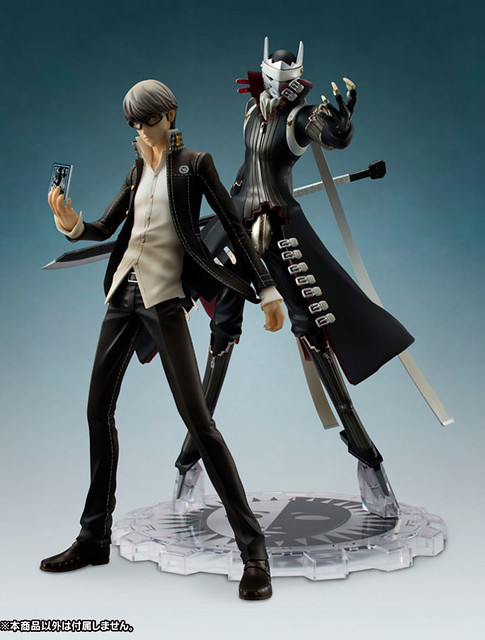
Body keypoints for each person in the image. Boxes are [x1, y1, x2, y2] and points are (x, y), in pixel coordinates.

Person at [40, 78, 285, 601]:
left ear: (169, 115)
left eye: (149, 120)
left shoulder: (195, 165)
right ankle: (93, 537)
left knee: (199, 421)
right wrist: (72, 223)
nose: (142, 129)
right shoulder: (137, 169)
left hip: (164, 299)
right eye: (134, 123)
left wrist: (266, 289)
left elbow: (234, 227)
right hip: (122, 296)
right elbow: (107, 226)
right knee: (97, 411)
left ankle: (254, 552)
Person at [174, 39, 415, 518]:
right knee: (221, 330)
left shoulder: (299, 117)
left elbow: (327, 133)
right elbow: (247, 167)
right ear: (263, 71)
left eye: (288, 77)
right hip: (237, 224)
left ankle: (367, 461)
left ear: (296, 78)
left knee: (312, 327)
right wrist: (224, 207)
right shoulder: (251, 109)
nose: (279, 84)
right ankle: (188, 464)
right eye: (273, 75)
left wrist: (340, 128)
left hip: (279, 229)